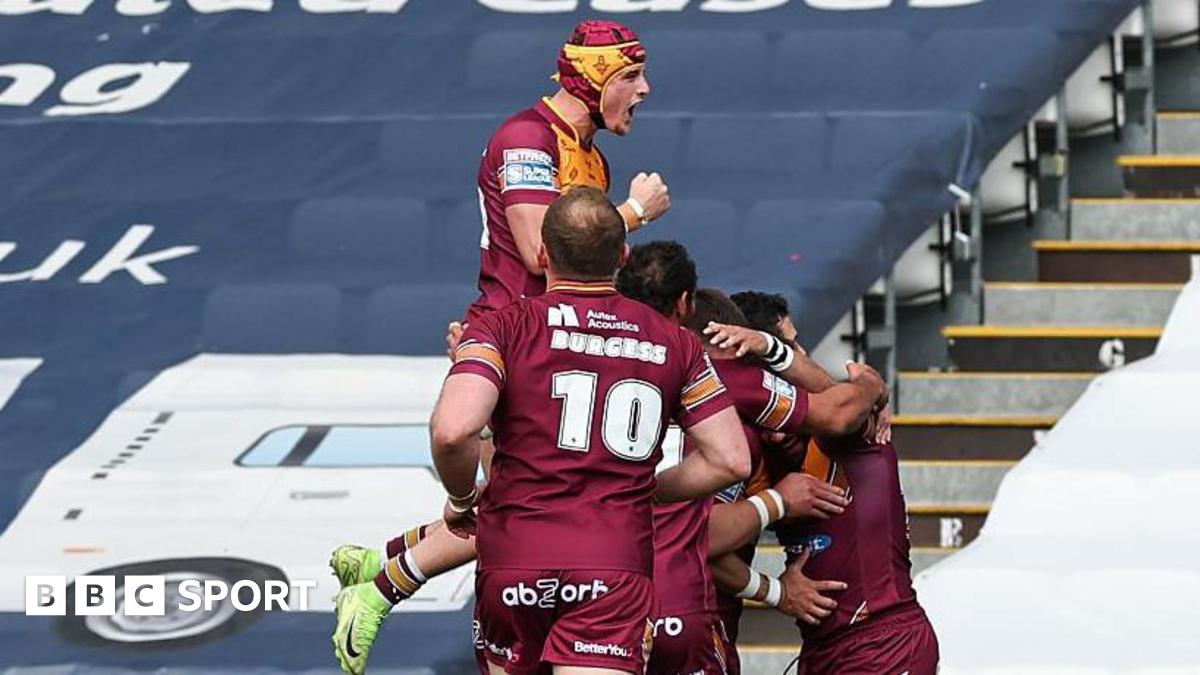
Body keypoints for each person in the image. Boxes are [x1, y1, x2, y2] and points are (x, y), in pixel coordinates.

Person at [428, 189, 750, 675]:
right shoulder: (677, 343)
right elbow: (731, 461)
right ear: (621, 257)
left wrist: (459, 500)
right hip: (612, 562)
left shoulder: (501, 328)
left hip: (515, 557)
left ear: (541, 253)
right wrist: (645, 489)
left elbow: (454, 431)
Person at [708, 300, 937, 675]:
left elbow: (852, 396)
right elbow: (699, 542)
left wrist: (870, 383)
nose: (802, 354)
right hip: (820, 650)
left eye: (795, 347)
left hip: (885, 640)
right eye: (794, 344)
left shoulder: (842, 428)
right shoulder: (748, 454)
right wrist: (775, 591)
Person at [459, 19, 669, 328]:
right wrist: (635, 212)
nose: (644, 89)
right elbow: (539, 251)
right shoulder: (527, 139)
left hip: (557, 330)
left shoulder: (595, 160)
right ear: (592, 80)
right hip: (512, 330)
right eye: (630, 76)